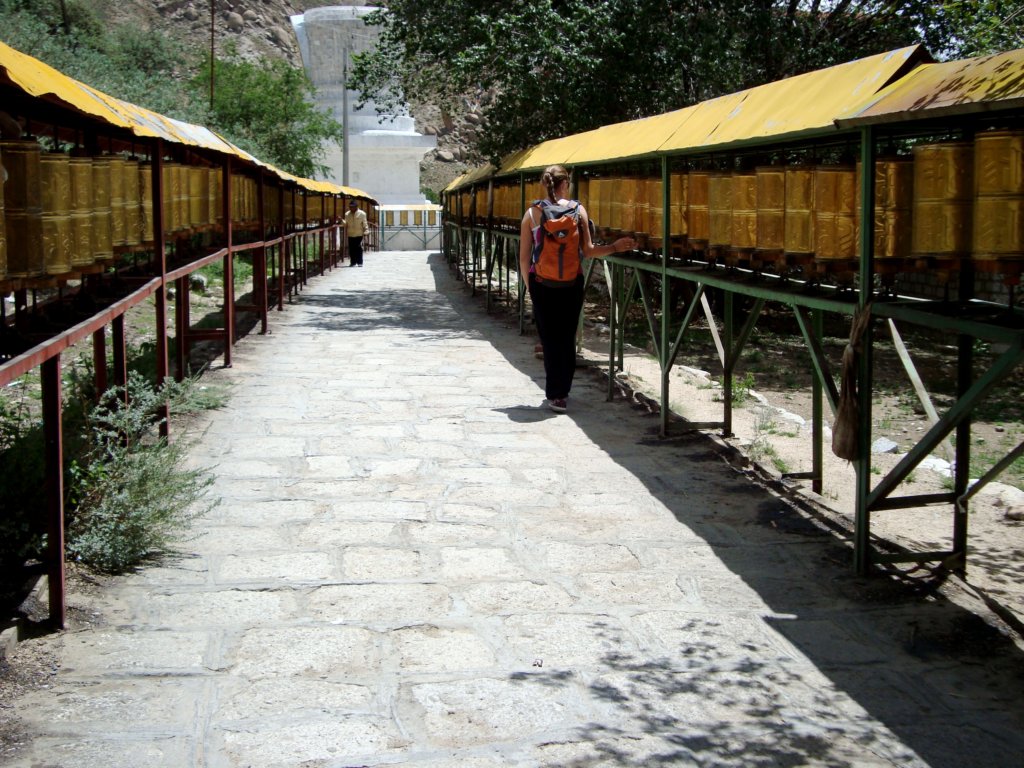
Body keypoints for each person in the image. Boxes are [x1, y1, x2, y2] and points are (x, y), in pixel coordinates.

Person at [520, 165, 636, 413]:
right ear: (566, 184)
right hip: (571, 284)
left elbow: (523, 258)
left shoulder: (532, 213)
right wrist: (615, 247)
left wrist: (531, 287)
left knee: (549, 340)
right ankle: (563, 393)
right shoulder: (578, 210)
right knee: (566, 337)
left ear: (545, 184)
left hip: (541, 284)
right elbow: (589, 250)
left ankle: (555, 395)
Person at [344, 200, 369, 266]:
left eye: (352, 207)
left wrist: (366, 231)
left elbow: (365, 223)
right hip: (350, 234)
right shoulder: (347, 214)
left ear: (356, 207)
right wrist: (341, 220)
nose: (351, 208)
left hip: (359, 233)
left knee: (358, 248)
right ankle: (353, 262)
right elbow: (346, 224)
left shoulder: (362, 214)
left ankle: (360, 262)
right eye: (350, 207)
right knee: (351, 248)